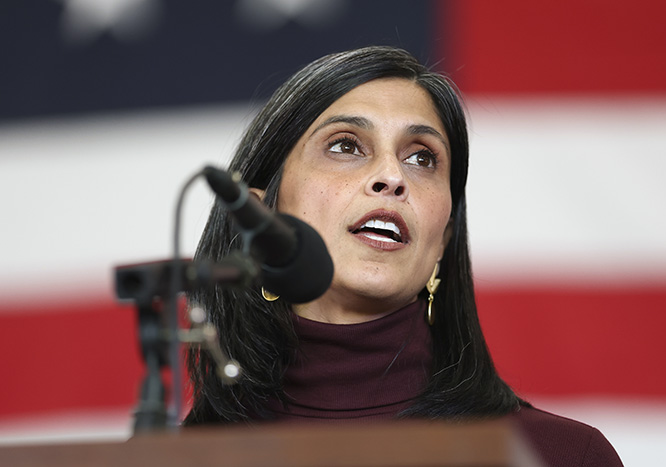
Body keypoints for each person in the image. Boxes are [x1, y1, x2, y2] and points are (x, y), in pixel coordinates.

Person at [183, 46, 623, 466]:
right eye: (345, 145)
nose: (392, 176)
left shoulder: (559, 456)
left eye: (422, 157)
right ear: (259, 216)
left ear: (445, 237)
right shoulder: (177, 457)